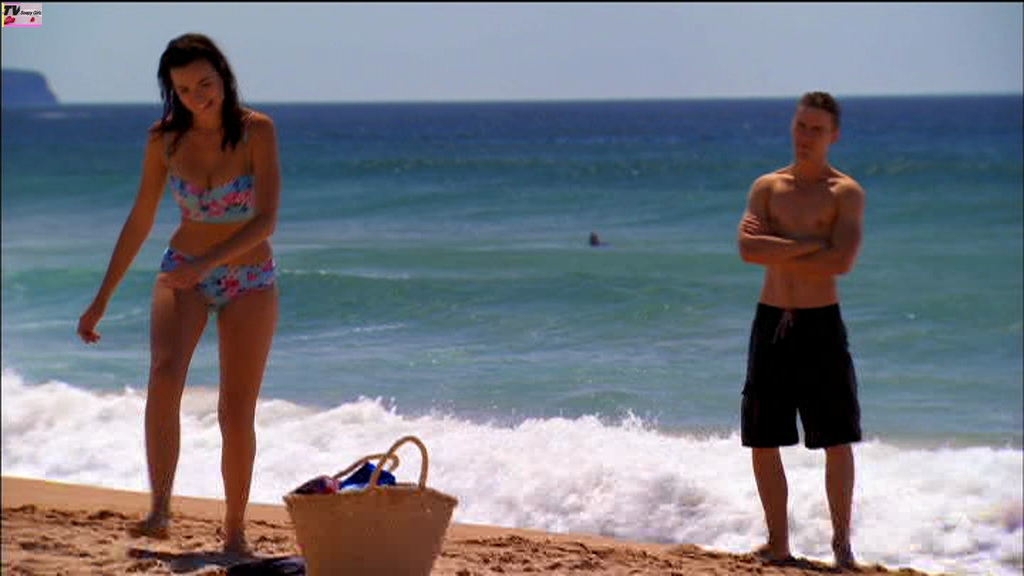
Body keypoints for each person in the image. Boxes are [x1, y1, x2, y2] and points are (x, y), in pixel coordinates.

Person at [77, 33, 281, 555]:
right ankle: (160, 510)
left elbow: (265, 220)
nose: (197, 96)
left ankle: (235, 530)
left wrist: (207, 266)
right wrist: (101, 298)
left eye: (204, 84)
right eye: (185, 89)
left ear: (222, 76)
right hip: (181, 270)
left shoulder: (257, 130)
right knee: (164, 375)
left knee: (235, 410)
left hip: (248, 280)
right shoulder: (163, 140)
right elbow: (140, 219)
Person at [735, 91, 865, 569]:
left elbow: (841, 261)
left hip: (820, 323)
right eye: (800, 126)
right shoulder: (767, 187)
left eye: (816, 129)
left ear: (834, 135)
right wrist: (810, 244)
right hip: (771, 320)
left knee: (836, 438)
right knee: (762, 436)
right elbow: (748, 250)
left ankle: (841, 546)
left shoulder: (844, 193)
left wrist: (779, 246)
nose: (805, 136)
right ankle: (779, 544)